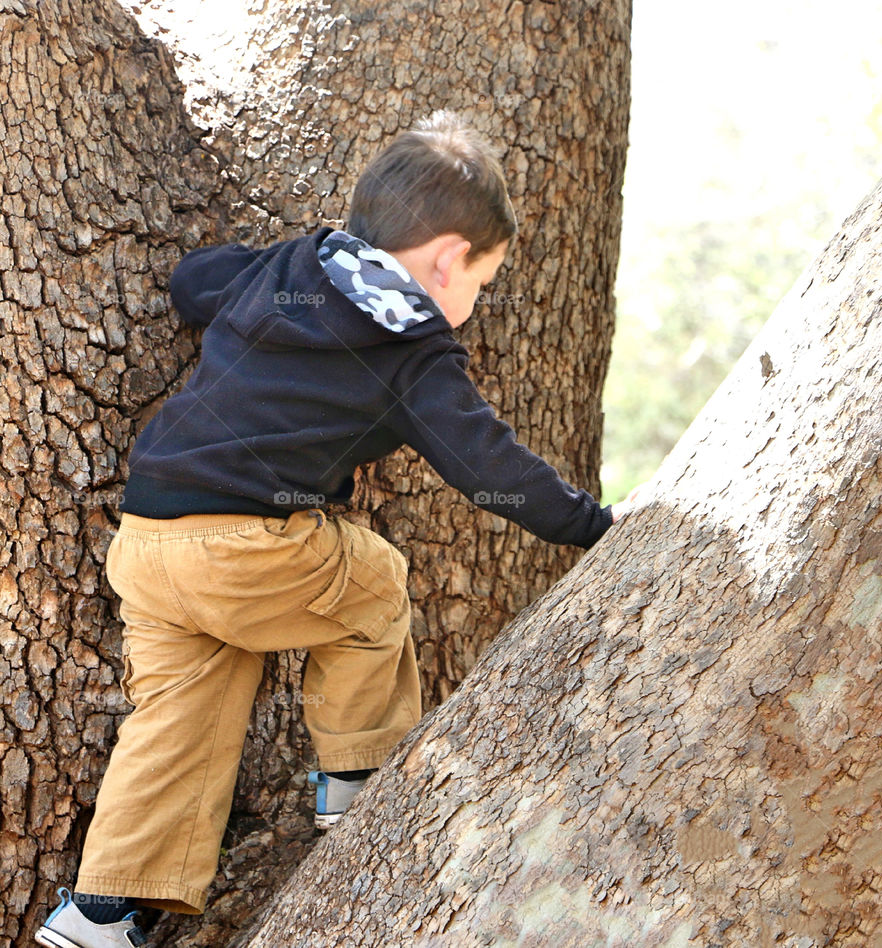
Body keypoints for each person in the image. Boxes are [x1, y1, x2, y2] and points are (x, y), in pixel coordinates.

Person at [35, 109, 643, 947]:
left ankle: (102, 911)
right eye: (482, 284)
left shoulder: (290, 266)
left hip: (146, 538)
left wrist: (238, 291)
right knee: (371, 581)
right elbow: (487, 470)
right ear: (448, 260)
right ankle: (357, 777)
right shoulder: (411, 349)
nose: (473, 304)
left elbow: (192, 284)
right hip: (244, 543)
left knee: (180, 711)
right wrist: (592, 527)